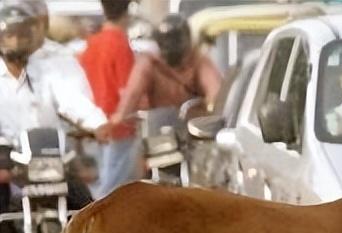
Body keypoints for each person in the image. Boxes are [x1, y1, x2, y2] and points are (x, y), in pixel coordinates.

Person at [0, 0, 110, 217]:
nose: (17, 40)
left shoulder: (46, 71)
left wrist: (97, 123)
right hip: (7, 165)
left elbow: (72, 101)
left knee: (90, 214)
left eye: (23, 34)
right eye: (11, 34)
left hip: (47, 162)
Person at [111, 13, 222, 126]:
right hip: (159, 130)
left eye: (179, 56)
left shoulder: (199, 61)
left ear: (187, 46)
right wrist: (118, 119)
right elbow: (132, 94)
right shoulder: (150, 63)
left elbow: (216, 93)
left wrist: (212, 112)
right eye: (166, 54)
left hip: (194, 129)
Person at [79, 0, 138, 198]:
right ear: (127, 12)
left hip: (92, 124)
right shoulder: (120, 43)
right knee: (112, 187)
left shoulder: (91, 44)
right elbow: (126, 89)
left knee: (99, 183)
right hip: (117, 125)